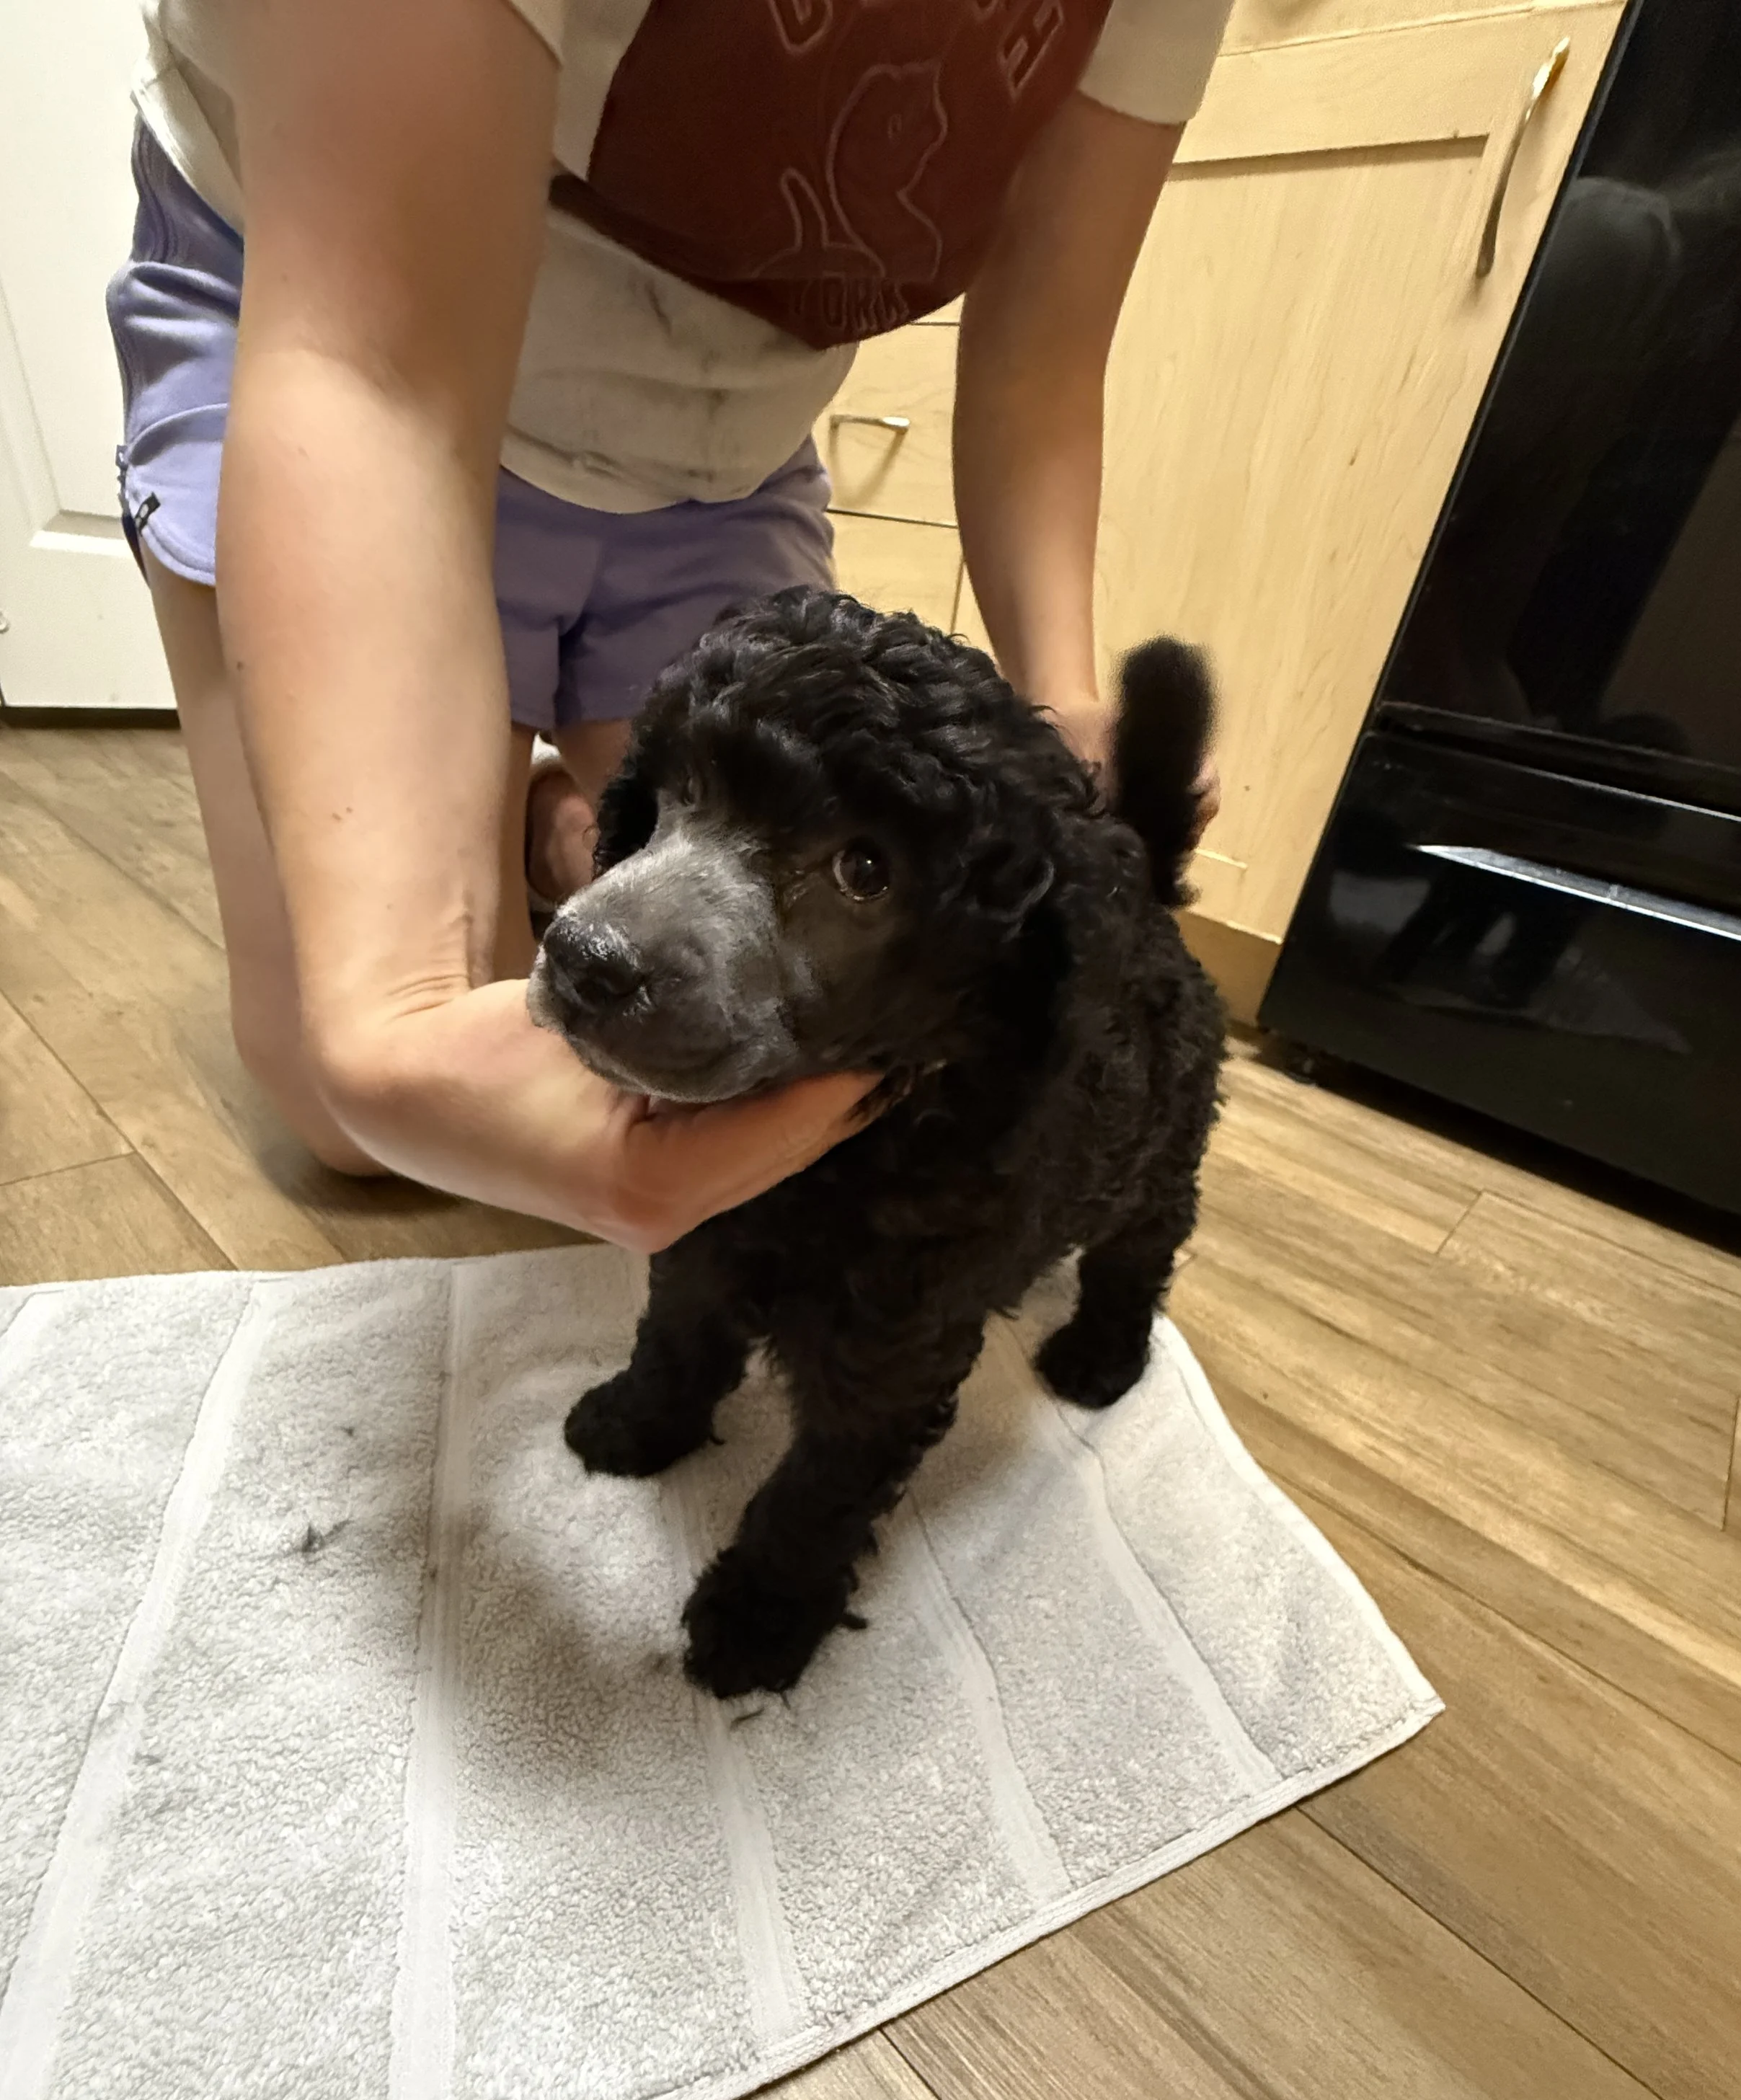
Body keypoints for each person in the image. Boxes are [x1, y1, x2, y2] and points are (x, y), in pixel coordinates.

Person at [109, 0, 1229, 1247]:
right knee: (355, 1118)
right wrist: (395, 1011)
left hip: (720, 439)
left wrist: (1065, 697)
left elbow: (1041, 360)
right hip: (337, 308)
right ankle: (534, 810)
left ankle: (548, 827)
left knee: (749, 999)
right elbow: (372, 371)